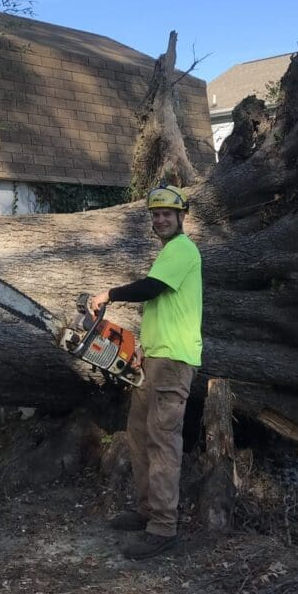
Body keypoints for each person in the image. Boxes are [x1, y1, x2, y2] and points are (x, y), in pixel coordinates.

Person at [88, 184, 203, 560]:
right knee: (138, 434)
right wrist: (138, 348)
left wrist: (110, 293)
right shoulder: (168, 253)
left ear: (181, 217)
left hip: (174, 361)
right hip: (153, 359)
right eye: (155, 214)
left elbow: (151, 289)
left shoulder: (183, 250)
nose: (160, 219)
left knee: (163, 439)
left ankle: (164, 527)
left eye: (166, 213)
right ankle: (146, 510)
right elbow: (161, 309)